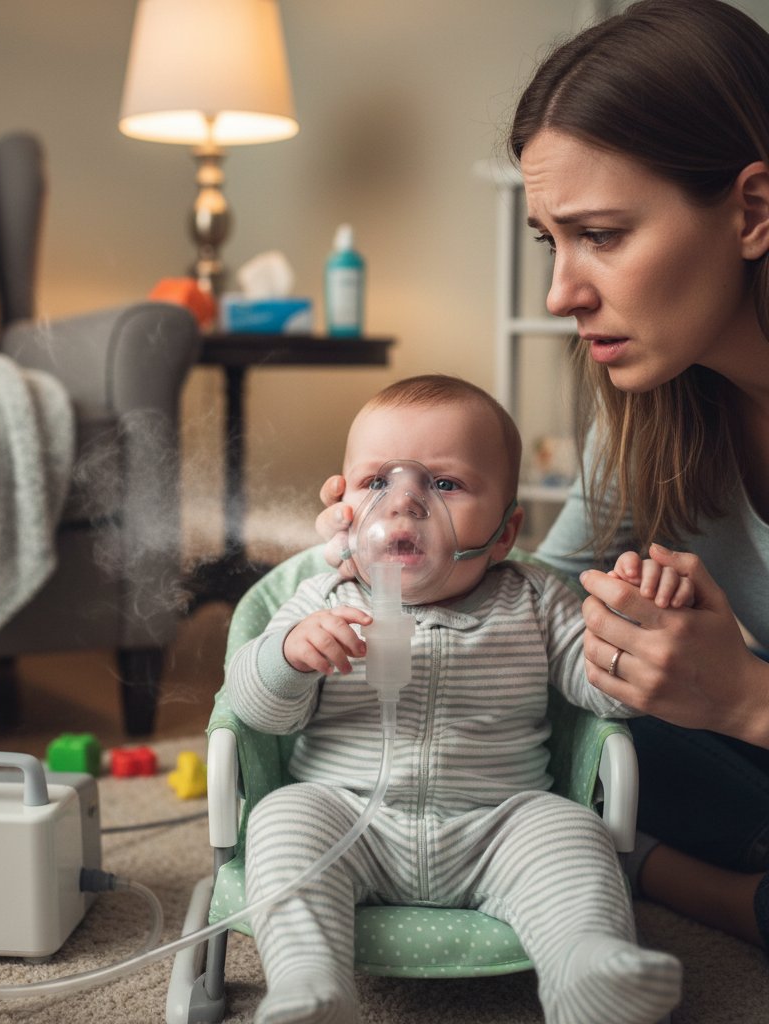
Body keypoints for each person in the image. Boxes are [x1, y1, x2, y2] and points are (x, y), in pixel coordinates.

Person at [317, 0, 769, 952]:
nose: (562, 291)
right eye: (549, 241)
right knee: (535, 700)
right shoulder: (654, 400)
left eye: (600, 234)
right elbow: (537, 606)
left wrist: (742, 698)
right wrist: (412, 554)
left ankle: (676, 877)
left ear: (753, 210)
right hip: (731, 770)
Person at [229, 374, 682, 1024]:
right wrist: (289, 657)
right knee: (281, 819)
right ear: (343, 505)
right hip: (350, 819)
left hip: (498, 825)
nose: (404, 503)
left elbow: (606, 697)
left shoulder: (534, 599)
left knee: (569, 831)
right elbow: (255, 712)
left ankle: (589, 969)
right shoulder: (326, 598)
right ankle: (311, 986)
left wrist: (637, 636)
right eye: (376, 482)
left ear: (504, 532)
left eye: (443, 484)